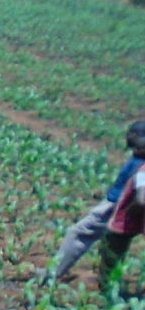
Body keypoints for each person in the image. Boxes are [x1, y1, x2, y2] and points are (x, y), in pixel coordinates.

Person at [51, 120, 145, 279]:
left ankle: (52, 273)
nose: (133, 145)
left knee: (79, 234)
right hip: (120, 207)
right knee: (114, 248)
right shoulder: (138, 159)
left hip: (115, 207)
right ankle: (108, 285)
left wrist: (131, 207)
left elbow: (142, 197)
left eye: (136, 139)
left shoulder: (142, 168)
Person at [99, 158, 145, 290]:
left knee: (111, 255)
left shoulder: (143, 171)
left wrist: (130, 210)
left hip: (126, 221)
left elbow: (141, 200)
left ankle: (107, 289)